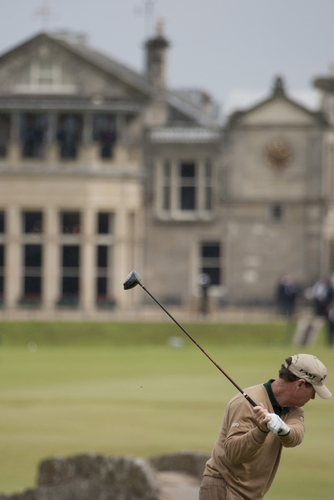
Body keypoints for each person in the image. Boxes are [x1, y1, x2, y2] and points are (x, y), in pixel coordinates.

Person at [199, 354, 331, 500]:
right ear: (299, 384)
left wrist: (283, 429)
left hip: (252, 494)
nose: (313, 397)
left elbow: (296, 436)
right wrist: (261, 430)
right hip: (224, 488)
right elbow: (233, 454)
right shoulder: (245, 402)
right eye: (313, 391)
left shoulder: (294, 409)